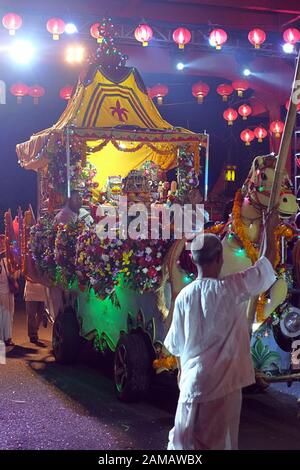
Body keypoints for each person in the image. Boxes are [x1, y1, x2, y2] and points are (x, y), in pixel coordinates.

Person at [164, 209, 279, 450]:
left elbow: (175, 344)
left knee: (184, 445)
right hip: (222, 387)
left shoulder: (184, 296)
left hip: (191, 383)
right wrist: (269, 227)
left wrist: (182, 373)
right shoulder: (232, 288)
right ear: (220, 259)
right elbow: (266, 263)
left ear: (194, 261)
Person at [0, 235, 15, 347]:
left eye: (4, 244)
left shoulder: (7, 259)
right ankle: (3, 338)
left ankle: (8, 337)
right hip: (1, 292)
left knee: (9, 314)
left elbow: (13, 273)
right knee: (3, 315)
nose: (2, 246)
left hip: (8, 291)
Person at [24, 279, 47, 345]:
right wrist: (39, 280)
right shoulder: (27, 268)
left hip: (41, 293)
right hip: (31, 293)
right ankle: (33, 336)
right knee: (31, 315)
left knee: (41, 314)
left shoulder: (43, 268)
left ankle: (34, 330)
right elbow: (27, 276)